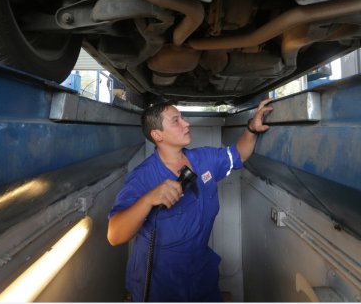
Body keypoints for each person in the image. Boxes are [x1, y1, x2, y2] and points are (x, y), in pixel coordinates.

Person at [107, 99, 273, 302]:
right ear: (157, 135)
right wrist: (148, 199)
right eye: (176, 121)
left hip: (200, 272)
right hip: (160, 281)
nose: (187, 124)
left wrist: (252, 129)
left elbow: (238, 154)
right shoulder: (142, 178)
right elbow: (114, 235)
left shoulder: (203, 159)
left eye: (183, 118)